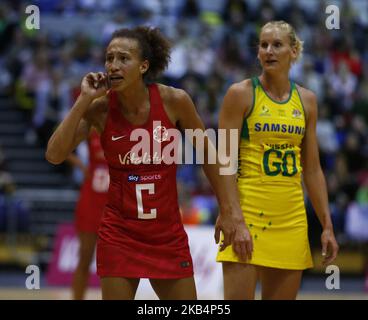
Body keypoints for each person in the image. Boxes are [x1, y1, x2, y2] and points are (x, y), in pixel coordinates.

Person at [45, 26, 244, 300]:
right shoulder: (100, 108)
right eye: (109, 58)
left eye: (123, 58)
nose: (113, 65)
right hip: (119, 235)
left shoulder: (175, 101)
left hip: (166, 234)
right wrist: (83, 101)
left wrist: (229, 208)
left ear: (143, 66)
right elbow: (54, 155)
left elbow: (210, 156)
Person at [216, 21, 339, 300]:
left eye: (277, 45)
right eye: (263, 45)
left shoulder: (307, 101)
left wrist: (327, 226)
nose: (269, 51)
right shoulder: (241, 93)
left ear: (294, 51)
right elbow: (224, 161)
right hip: (246, 213)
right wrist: (231, 213)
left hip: (291, 219)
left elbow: (313, 170)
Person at [67, 129, 109, 300]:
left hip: (114, 202)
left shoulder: (126, 128)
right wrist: (82, 166)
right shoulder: (91, 129)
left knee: (113, 264)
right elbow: (62, 148)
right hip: (91, 201)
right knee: (85, 256)